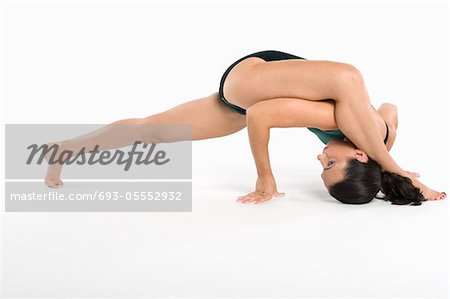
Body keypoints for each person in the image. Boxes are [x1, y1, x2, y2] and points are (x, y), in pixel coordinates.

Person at [44, 50, 446, 205]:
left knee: (152, 129)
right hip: (255, 77)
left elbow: (390, 108)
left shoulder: (356, 129)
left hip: (240, 97)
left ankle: (66, 150)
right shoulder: (355, 128)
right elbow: (262, 115)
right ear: (361, 154)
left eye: (321, 168)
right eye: (329, 165)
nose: (320, 155)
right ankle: (392, 165)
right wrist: (264, 177)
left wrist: (390, 162)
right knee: (348, 78)